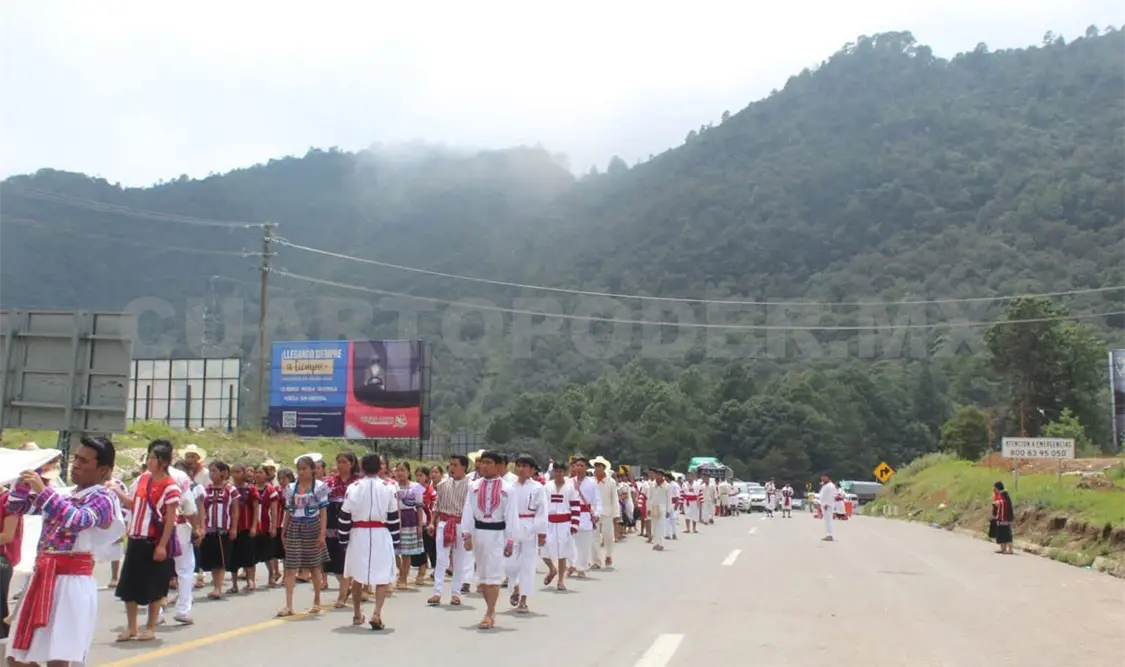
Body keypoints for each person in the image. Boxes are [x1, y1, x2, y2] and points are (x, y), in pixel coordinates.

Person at [5, 436, 123, 665]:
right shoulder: (66, 494)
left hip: (71, 584)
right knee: (18, 657)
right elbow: (16, 506)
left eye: (84, 461)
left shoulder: (104, 498)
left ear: (103, 469)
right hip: (42, 579)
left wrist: (43, 491)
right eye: (75, 458)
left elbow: (78, 520)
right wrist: (23, 482)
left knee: (59, 658)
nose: (76, 465)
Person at [115, 439, 181, 642]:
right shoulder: (143, 479)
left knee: (154, 586)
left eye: (153, 458)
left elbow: (170, 519)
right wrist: (117, 491)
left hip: (153, 540)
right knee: (129, 585)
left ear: (162, 462)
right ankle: (132, 627)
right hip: (135, 538)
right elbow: (134, 504)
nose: (149, 461)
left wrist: (162, 545)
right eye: (149, 457)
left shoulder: (170, 487)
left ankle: (150, 627)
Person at [338, 453, 400, 630]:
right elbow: (393, 517)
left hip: (359, 533)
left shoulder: (353, 487)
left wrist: (343, 539)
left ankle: (357, 613)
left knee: (357, 575)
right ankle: (377, 613)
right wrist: (395, 540)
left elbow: (344, 516)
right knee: (382, 576)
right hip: (381, 532)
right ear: (380, 468)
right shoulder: (389, 488)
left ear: (362, 468)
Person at [459, 450, 516, 630]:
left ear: (498, 466)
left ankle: (490, 612)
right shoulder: (473, 486)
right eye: (482, 463)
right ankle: (489, 608)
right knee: (482, 575)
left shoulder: (508, 488)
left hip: (497, 533)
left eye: (489, 463)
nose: (484, 466)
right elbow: (468, 510)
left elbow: (512, 516)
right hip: (479, 532)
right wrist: (466, 534)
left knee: (493, 574)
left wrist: (510, 540)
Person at [278, 456, 330, 617]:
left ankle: (317, 601)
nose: (301, 472)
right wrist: (283, 529)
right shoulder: (291, 488)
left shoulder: (320, 487)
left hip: (312, 526)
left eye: (304, 469)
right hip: (295, 526)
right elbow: (288, 511)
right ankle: (288, 605)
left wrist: (322, 533)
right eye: (299, 469)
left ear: (312, 470)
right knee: (290, 566)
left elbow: (323, 512)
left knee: (314, 566)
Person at [427, 454, 471, 607]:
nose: (452, 468)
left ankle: (456, 593)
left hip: (461, 524)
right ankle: (437, 592)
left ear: (464, 467)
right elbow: (436, 507)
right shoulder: (442, 485)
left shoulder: (471, 486)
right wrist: (432, 523)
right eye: (450, 464)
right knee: (441, 559)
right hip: (444, 523)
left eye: (455, 465)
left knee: (459, 560)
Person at [505, 454, 546, 613]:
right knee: (510, 564)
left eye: (525, 466)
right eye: (519, 466)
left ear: (532, 470)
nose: (521, 469)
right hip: (511, 527)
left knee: (527, 564)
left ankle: (523, 599)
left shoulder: (538, 488)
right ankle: (515, 586)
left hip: (530, 526)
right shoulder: (509, 486)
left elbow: (542, 511)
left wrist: (541, 532)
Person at [541, 461, 579, 591]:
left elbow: (575, 506)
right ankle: (552, 569)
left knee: (563, 553)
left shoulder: (570, 488)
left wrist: (574, 524)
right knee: (543, 550)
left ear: (565, 472)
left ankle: (561, 580)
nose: (559, 474)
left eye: (561, 471)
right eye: (556, 471)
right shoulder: (546, 487)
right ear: (553, 472)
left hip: (564, 523)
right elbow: (541, 506)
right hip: (549, 523)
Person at [568, 456, 600, 579]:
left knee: (584, 545)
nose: (579, 468)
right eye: (577, 465)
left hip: (586, 515)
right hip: (572, 516)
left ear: (586, 467)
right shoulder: (569, 482)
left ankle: (581, 568)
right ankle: (572, 565)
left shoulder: (592, 482)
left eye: (582, 465)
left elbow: (597, 500)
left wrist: (597, 513)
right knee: (571, 543)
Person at [592, 458, 618, 568]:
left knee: (608, 535)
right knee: (594, 538)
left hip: (607, 512)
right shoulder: (591, 481)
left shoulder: (610, 482)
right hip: (594, 513)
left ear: (604, 468)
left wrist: (616, 515)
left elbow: (614, 499)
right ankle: (596, 561)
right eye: (596, 466)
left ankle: (608, 555)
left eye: (600, 466)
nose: (597, 468)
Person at [647, 470, 672, 551]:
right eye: (656, 475)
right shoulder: (652, 484)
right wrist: (648, 508)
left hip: (663, 506)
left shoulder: (667, 486)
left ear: (663, 476)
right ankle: (655, 543)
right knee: (655, 525)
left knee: (661, 525)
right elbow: (649, 497)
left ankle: (661, 544)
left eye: (659, 475)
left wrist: (668, 510)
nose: (658, 476)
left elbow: (669, 499)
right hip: (654, 506)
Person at [992, 482, 1015, 554]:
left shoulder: (1003, 494)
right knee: (1002, 532)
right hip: (1003, 517)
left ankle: (1010, 549)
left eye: (994, 488)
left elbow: (1004, 503)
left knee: (1006, 533)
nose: (994, 489)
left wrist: (998, 503)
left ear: (997, 487)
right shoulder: (1001, 494)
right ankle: (1003, 549)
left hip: (1005, 517)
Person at [818, 474, 837, 542]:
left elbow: (833, 495)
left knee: (828, 520)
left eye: (824, 477)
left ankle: (830, 535)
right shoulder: (824, 485)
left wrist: (828, 504)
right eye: (822, 477)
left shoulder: (831, 486)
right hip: (823, 505)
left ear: (827, 477)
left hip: (828, 505)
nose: (822, 478)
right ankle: (827, 534)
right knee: (826, 521)